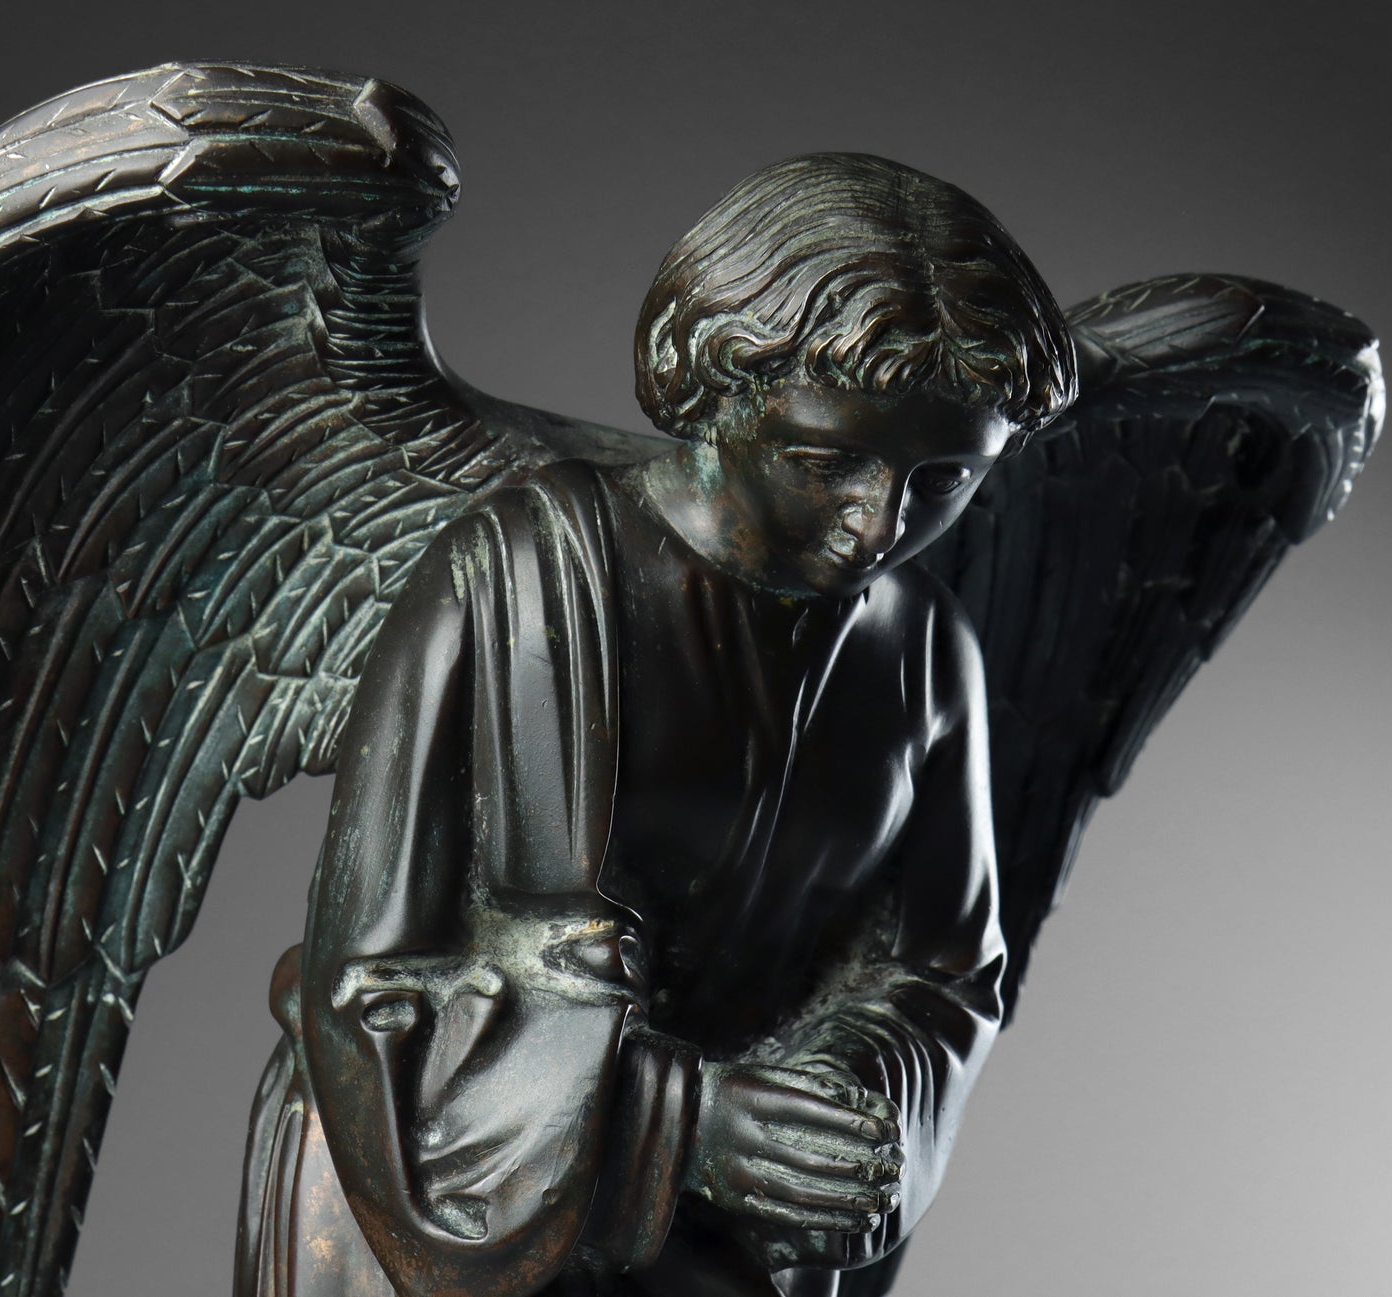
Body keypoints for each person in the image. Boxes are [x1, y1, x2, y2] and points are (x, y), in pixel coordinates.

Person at [237, 152, 1078, 1297]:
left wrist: (833, 1105)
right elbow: (371, 982)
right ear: (711, 390)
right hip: (460, 1187)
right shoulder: (525, 574)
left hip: (728, 1224)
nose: (875, 523)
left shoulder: (926, 646)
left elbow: (944, 969)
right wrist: (680, 1123)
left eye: (943, 480)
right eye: (823, 460)